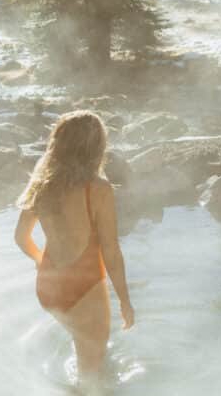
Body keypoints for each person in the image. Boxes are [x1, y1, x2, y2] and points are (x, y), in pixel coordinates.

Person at [14, 110, 134, 378]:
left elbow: (21, 237)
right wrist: (125, 301)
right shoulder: (99, 189)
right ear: (96, 148)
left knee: (85, 346)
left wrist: (38, 260)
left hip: (48, 287)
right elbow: (111, 253)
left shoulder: (42, 186)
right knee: (91, 376)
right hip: (83, 288)